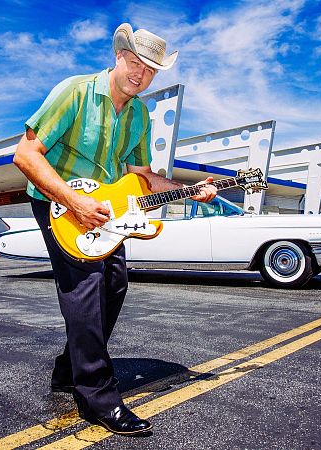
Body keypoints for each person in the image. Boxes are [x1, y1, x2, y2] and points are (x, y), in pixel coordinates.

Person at [13, 23, 216, 436]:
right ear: (119, 55)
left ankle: (69, 369)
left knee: (115, 283)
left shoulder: (140, 114)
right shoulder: (75, 91)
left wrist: (189, 190)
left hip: (106, 206)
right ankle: (98, 395)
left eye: (152, 70)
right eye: (136, 63)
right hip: (56, 200)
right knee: (85, 286)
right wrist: (74, 201)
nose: (141, 75)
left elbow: (141, 176)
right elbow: (25, 154)